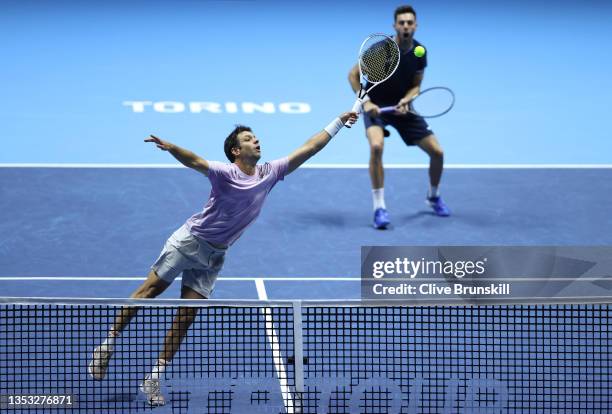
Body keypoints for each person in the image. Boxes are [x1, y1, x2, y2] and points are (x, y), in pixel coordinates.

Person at [87, 110, 358, 406]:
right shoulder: (225, 173)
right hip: (188, 242)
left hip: (215, 256)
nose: (256, 141)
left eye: (255, 137)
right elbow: (196, 161)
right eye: (248, 139)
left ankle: (153, 378)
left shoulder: (270, 172)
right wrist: (172, 147)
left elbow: (310, 147)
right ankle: (107, 344)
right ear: (235, 151)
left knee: (185, 317)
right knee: (149, 291)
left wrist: (338, 123)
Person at [348, 4, 450, 229]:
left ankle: (433, 195)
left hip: (402, 109)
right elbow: (353, 75)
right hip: (376, 107)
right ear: (395, 26)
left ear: (415, 26)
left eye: (409, 22)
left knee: (437, 152)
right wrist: (366, 102)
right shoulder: (381, 50)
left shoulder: (418, 52)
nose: (405, 26)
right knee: (376, 147)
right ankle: (379, 208)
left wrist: (407, 100)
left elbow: (416, 86)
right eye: (401, 22)